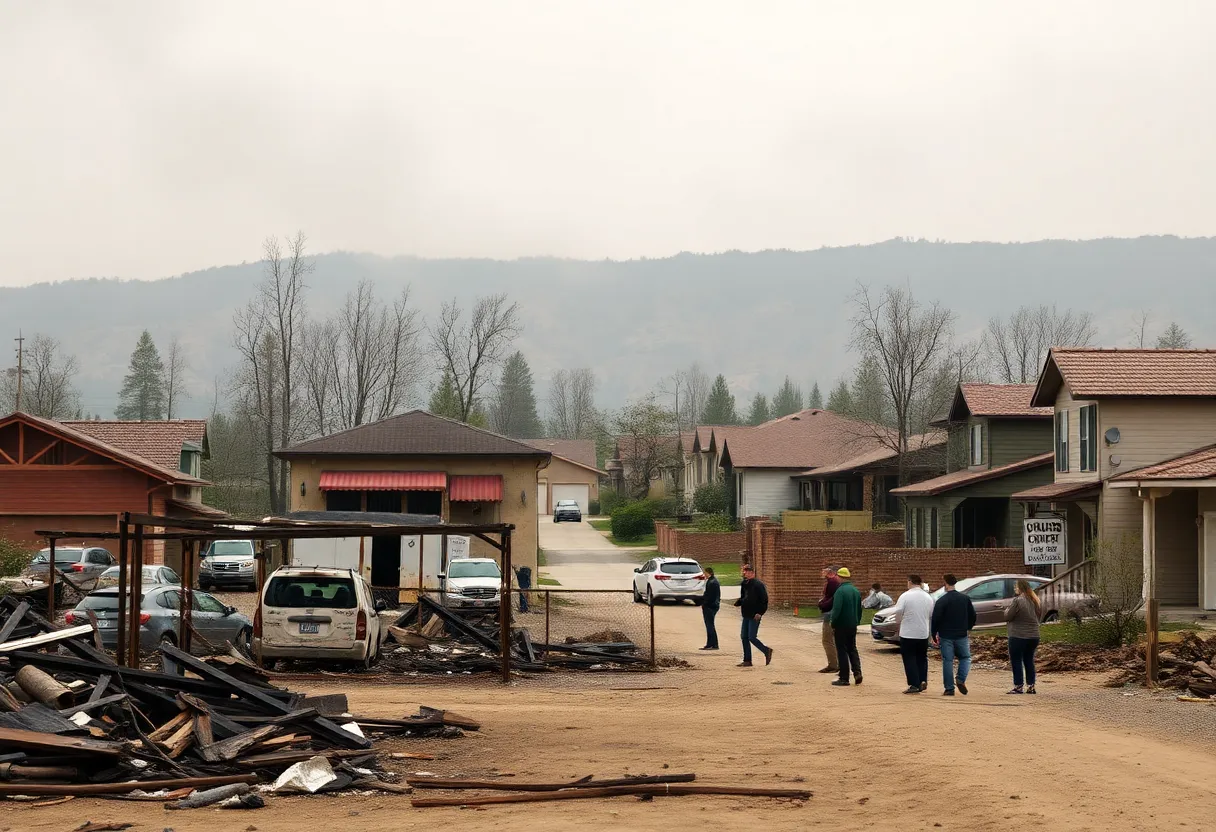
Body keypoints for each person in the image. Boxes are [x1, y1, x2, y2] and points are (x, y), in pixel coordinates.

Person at [931, 573, 976, 696]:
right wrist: (969, 627)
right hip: (961, 633)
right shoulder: (965, 599)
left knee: (948, 661)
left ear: (945, 584)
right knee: (965, 658)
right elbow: (973, 615)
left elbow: (936, 618)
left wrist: (934, 633)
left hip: (946, 635)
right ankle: (960, 678)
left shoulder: (942, 600)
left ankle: (949, 688)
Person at [890, 574, 935, 694]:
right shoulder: (928, 597)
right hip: (923, 632)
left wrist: (899, 622)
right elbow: (931, 613)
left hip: (908, 632)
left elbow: (898, 612)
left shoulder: (905, 596)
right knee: (922, 657)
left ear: (910, 582)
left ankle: (914, 683)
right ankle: (922, 680)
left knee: (909, 658)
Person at [1006, 578, 1042, 694]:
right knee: (1029, 660)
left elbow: (1008, 616)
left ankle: (1018, 686)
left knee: (1016, 660)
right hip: (1033, 636)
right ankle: (1031, 686)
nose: (1015, 589)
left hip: (1018, 635)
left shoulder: (1017, 600)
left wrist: (1006, 610)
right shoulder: (1035, 600)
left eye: (1016, 587)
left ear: (1020, 588)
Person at [829, 566, 863, 686]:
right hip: (852, 624)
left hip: (841, 624)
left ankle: (844, 677)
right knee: (852, 648)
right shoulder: (855, 590)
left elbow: (837, 609)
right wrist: (857, 621)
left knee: (842, 650)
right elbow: (859, 608)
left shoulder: (840, 591)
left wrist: (833, 622)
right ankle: (857, 672)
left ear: (840, 577)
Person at [734, 564, 772, 667]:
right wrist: (739, 602)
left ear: (753, 573)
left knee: (751, 637)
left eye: (748, 571)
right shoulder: (744, 584)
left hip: (755, 615)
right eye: (745, 571)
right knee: (744, 637)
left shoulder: (758, 584)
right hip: (746, 614)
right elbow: (744, 597)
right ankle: (747, 660)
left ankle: (766, 650)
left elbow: (764, 600)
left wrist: (760, 612)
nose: (746, 573)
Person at [816, 565, 842, 673]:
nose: (822, 573)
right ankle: (837, 663)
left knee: (827, 640)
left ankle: (833, 664)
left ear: (829, 572)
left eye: (823, 571)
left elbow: (832, 598)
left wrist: (822, 604)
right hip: (832, 613)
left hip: (829, 613)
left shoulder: (832, 582)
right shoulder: (834, 582)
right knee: (833, 640)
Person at [700, 567, 720, 650]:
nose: (704, 574)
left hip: (710, 606)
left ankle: (713, 644)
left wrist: (705, 604)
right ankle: (711, 643)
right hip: (713, 605)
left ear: (709, 573)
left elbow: (710, 596)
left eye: (705, 573)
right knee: (710, 625)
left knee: (710, 625)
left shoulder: (712, 582)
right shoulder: (712, 581)